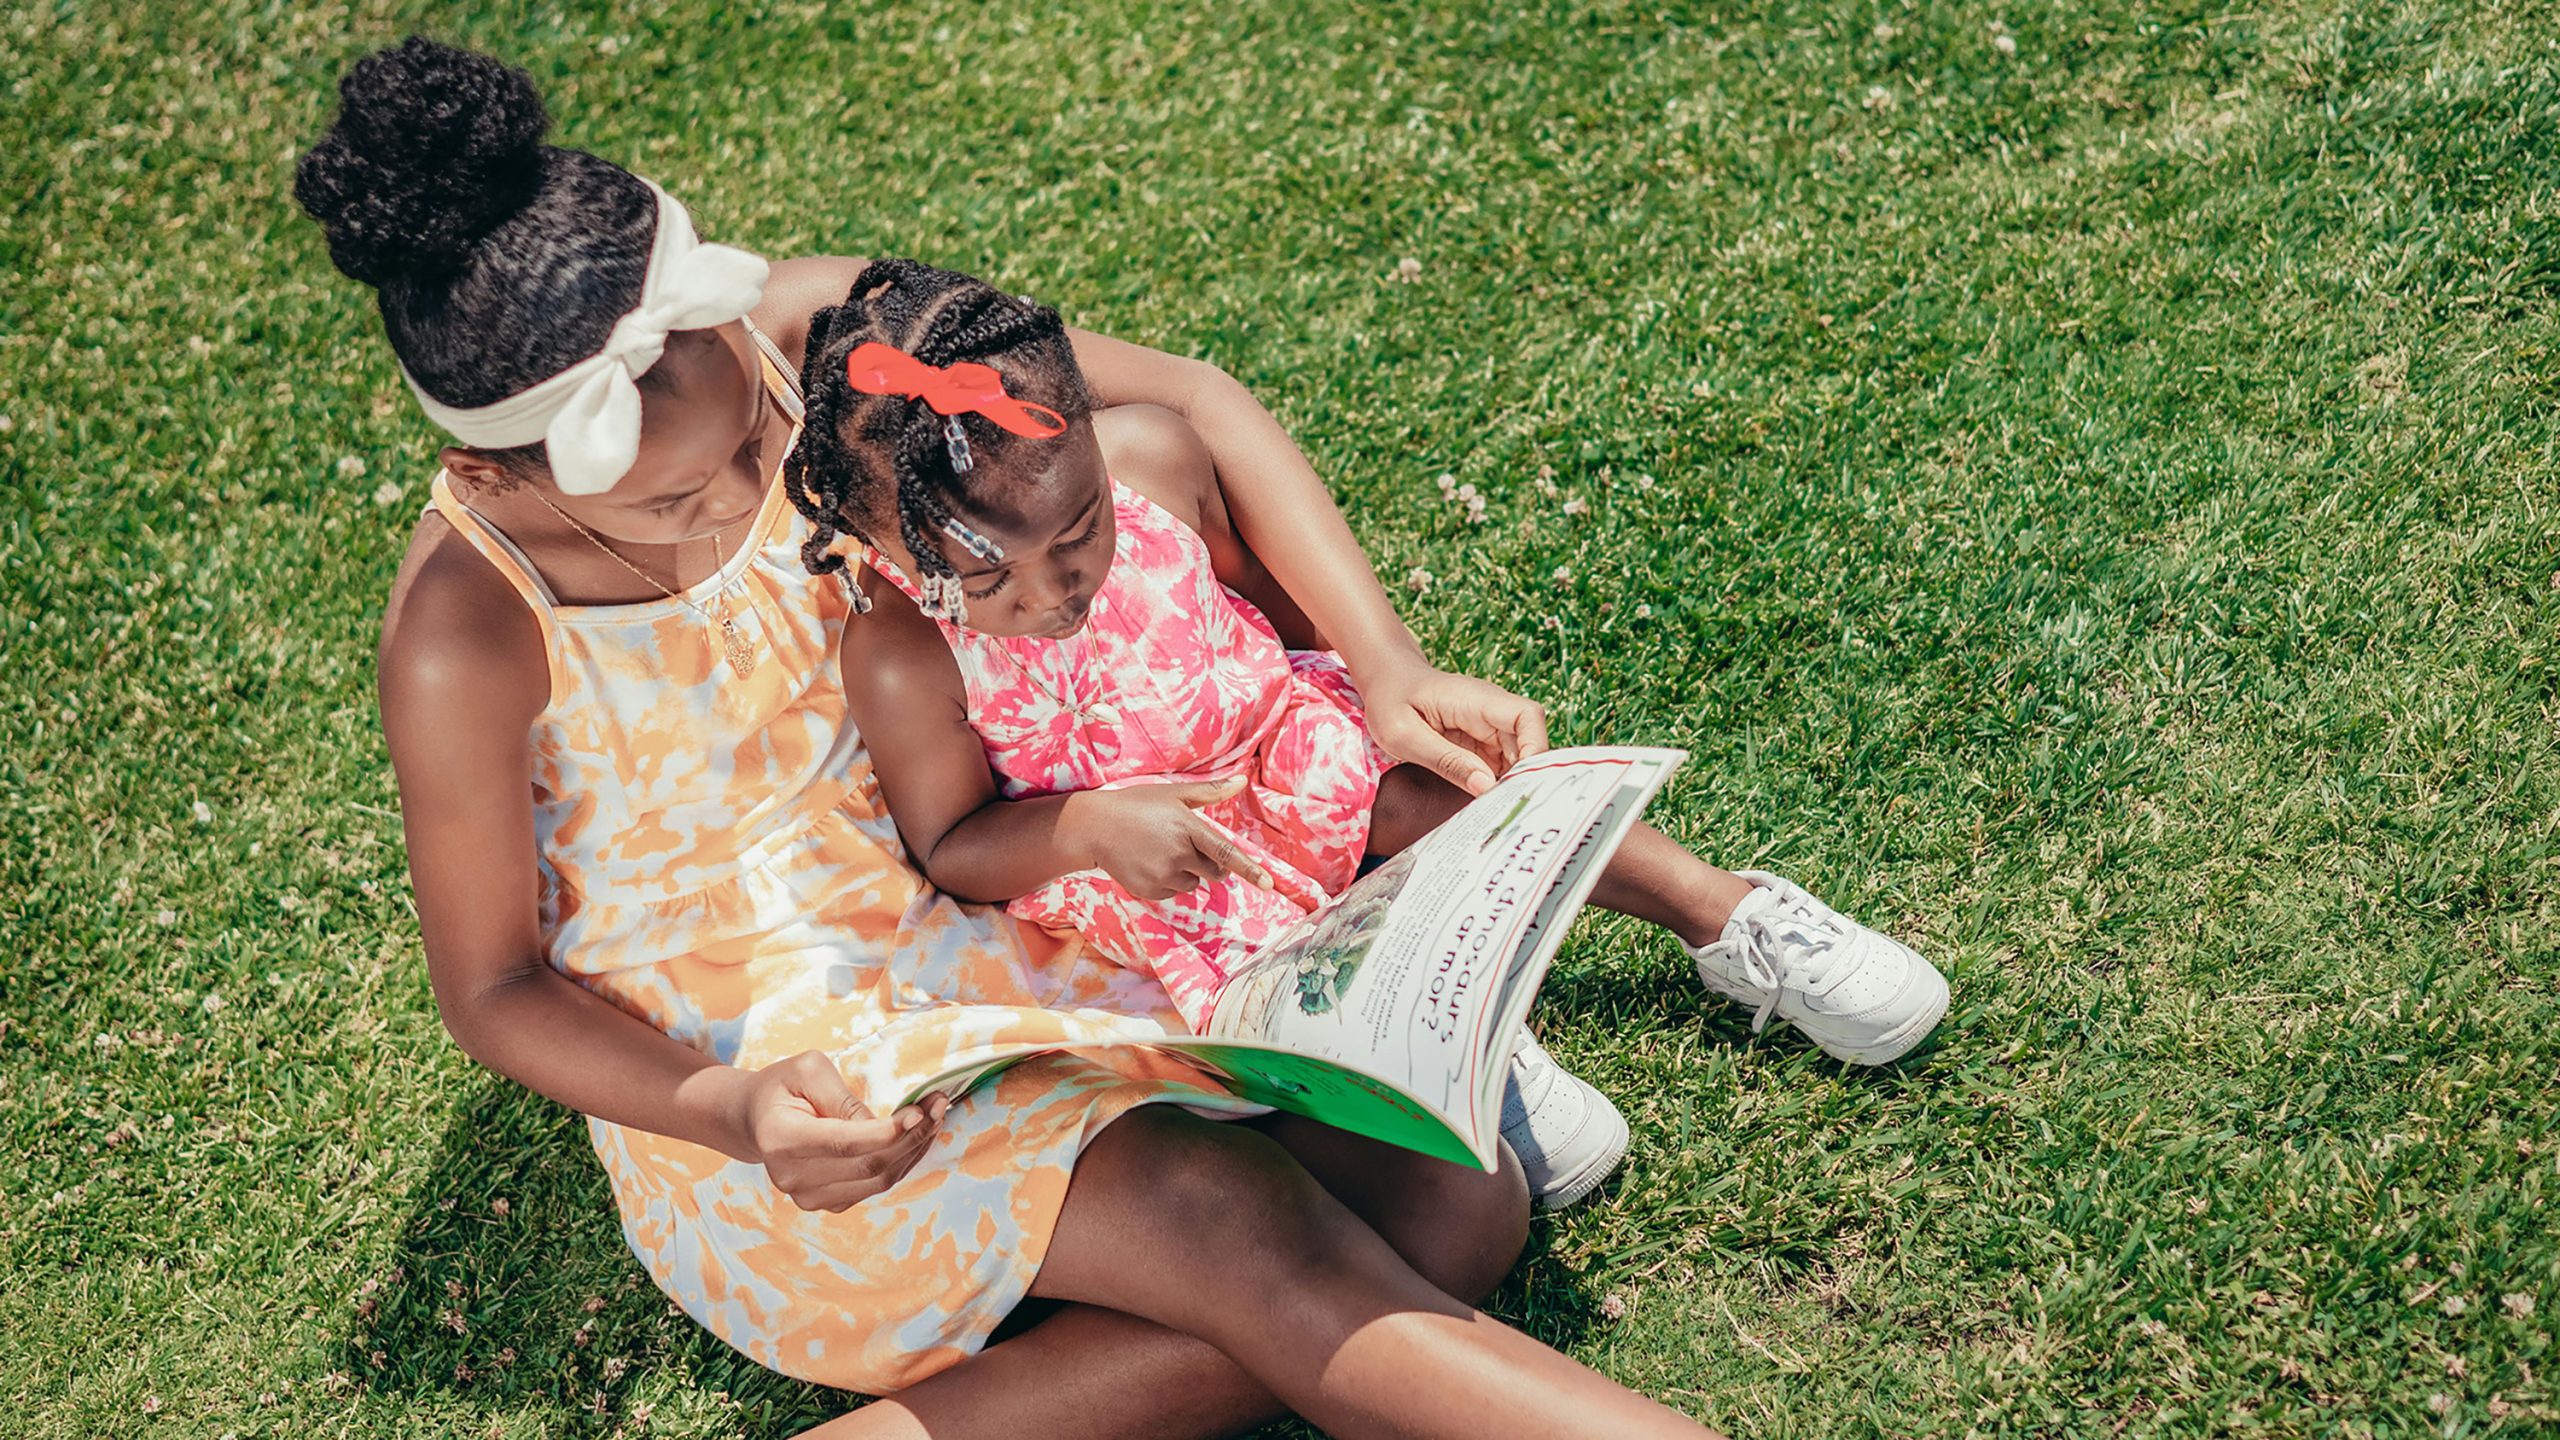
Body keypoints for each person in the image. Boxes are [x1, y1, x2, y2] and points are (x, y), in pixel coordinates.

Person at [296, 36, 1724, 1438]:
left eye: (755, 452)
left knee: (1461, 1208)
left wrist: (1384, 665)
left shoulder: (823, 340)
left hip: (1006, 919)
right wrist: (738, 1112)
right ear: (491, 464)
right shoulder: (465, 630)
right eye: (676, 505)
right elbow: (491, 988)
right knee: (1230, 1230)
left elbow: (1191, 408)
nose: (745, 502)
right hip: (780, 1089)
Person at [778, 259, 1951, 1126]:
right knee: (1278, 971)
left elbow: (1268, 620)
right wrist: (1084, 830)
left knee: (1426, 788)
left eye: (1080, 533)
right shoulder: (900, 653)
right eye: (988, 577)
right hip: (1153, 865)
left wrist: (1377, 678)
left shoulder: (1153, 462)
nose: (1057, 588)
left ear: (1093, 437)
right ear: (876, 537)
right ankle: (1460, 1045)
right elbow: (952, 844)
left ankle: (1724, 912)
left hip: (1274, 742)